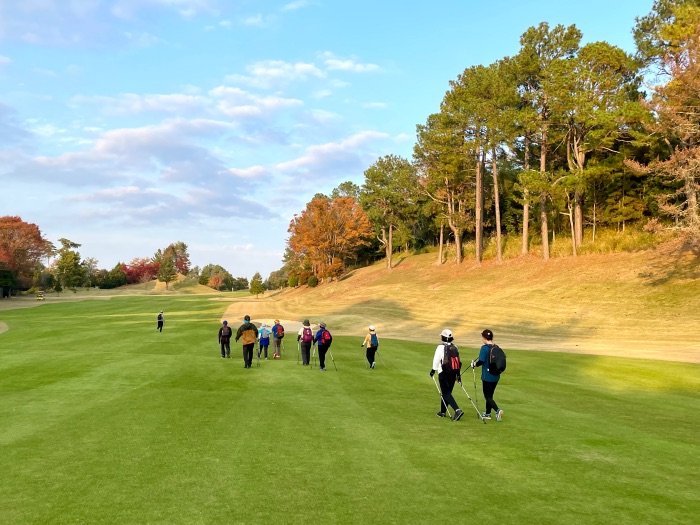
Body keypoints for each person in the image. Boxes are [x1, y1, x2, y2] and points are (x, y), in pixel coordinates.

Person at [430, 329, 464, 420]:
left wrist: (433, 370)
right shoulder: (455, 347)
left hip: (443, 372)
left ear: (443, 337)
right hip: (453, 373)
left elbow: (436, 360)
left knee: (445, 393)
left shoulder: (441, 347)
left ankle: (457, 410)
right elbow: (457, 362)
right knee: (447, 393)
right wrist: (458, 375)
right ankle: (442, 412)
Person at [470, 329, 504, 421]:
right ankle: (488, 414)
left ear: (484, 338)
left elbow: (481, 361)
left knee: (487, 396)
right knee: (490, 396)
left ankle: (498, 410)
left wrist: (474, 364)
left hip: (487, 376)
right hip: (496, 376)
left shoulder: (484, 348)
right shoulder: (496, 346)